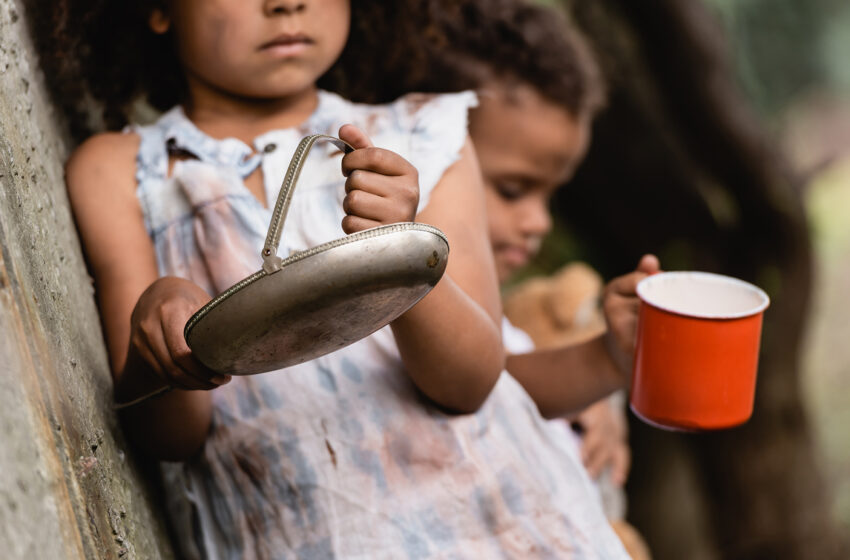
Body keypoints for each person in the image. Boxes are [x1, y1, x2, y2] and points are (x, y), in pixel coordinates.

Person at [54, 0, 645, 557]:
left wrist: (399, 249)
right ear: (156, 8)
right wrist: (160, 319)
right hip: (311, 535)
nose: (286, 3)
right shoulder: (121, 174)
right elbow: (168, 438)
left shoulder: (424, 135)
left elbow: (469, 383)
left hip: (506, 521)